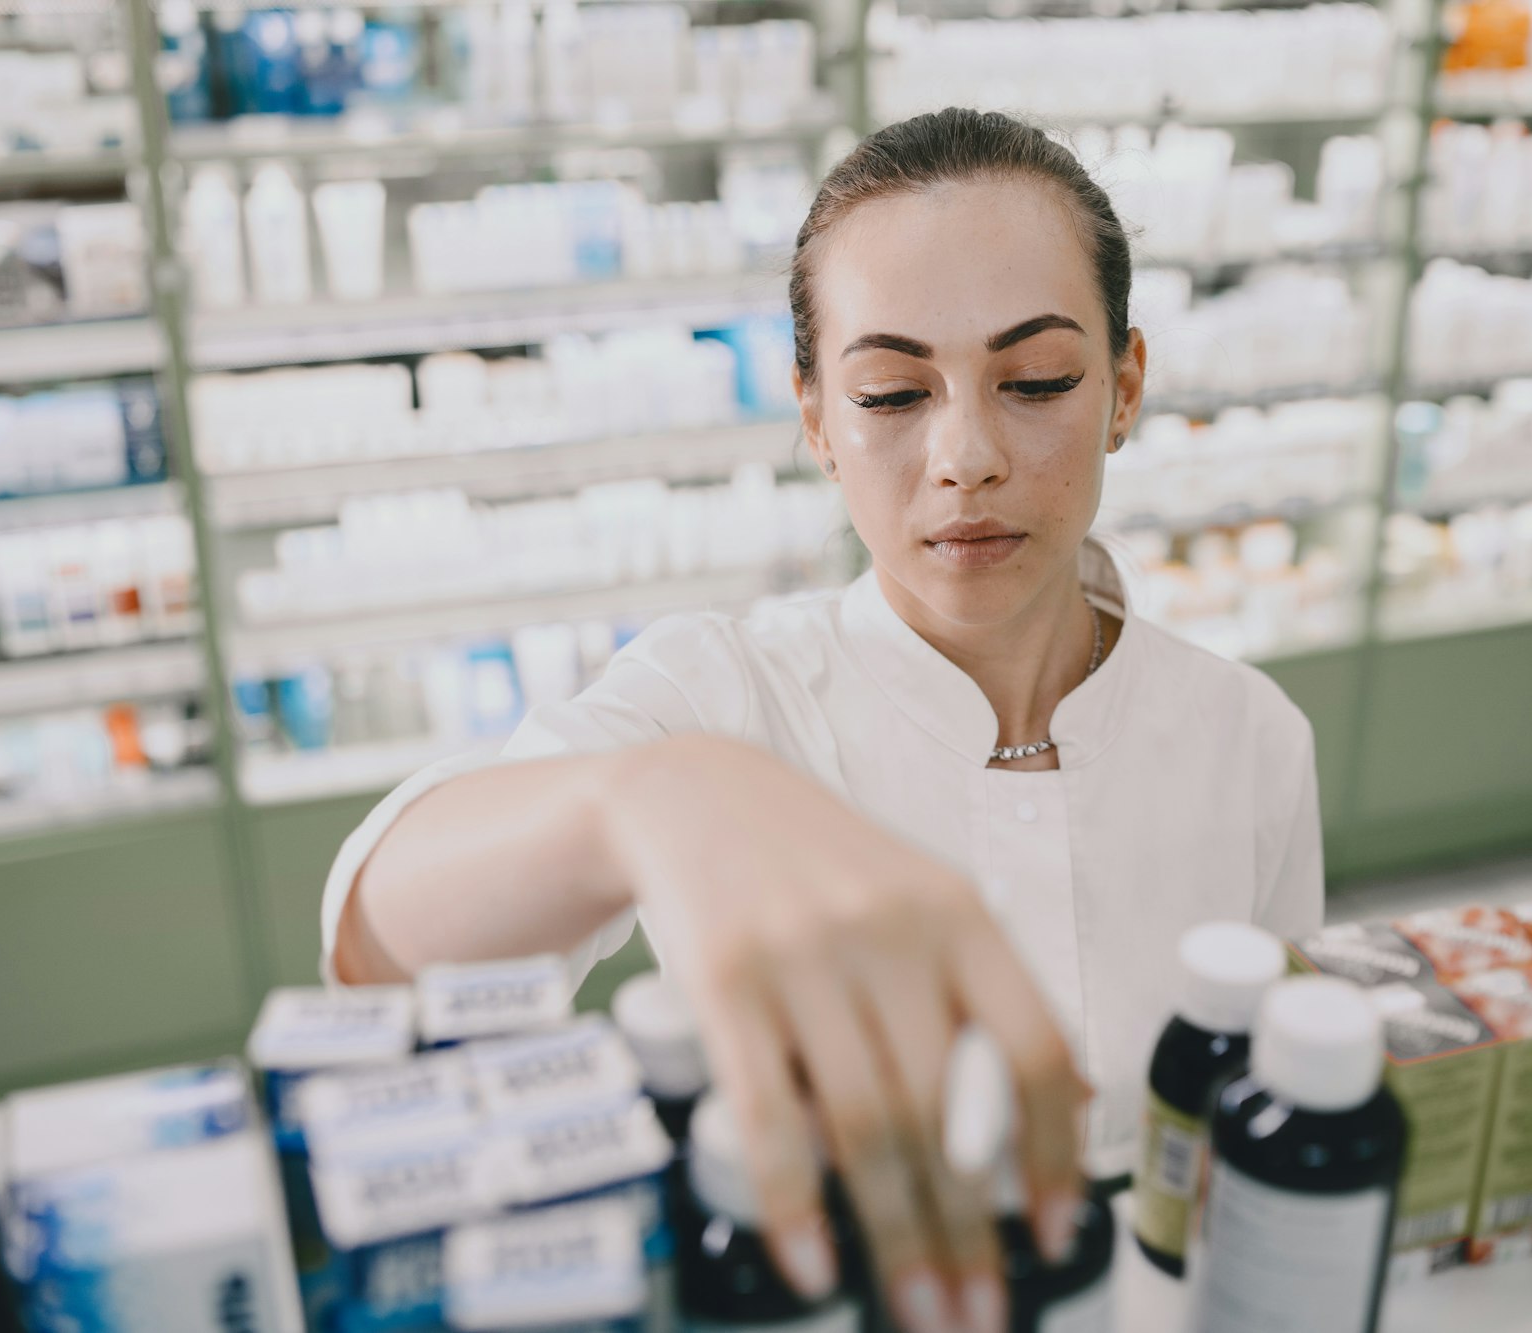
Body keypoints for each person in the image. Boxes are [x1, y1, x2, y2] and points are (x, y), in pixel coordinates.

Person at [323, 106, 1323, 1333]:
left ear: (1122, 388)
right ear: (814, 422)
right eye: (891, 393)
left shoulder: (1250, 738)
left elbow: (1266, 1139)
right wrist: (646, 799)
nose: (964, 455)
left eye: (1035, 381)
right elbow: (381, 947)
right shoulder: (717, 694)